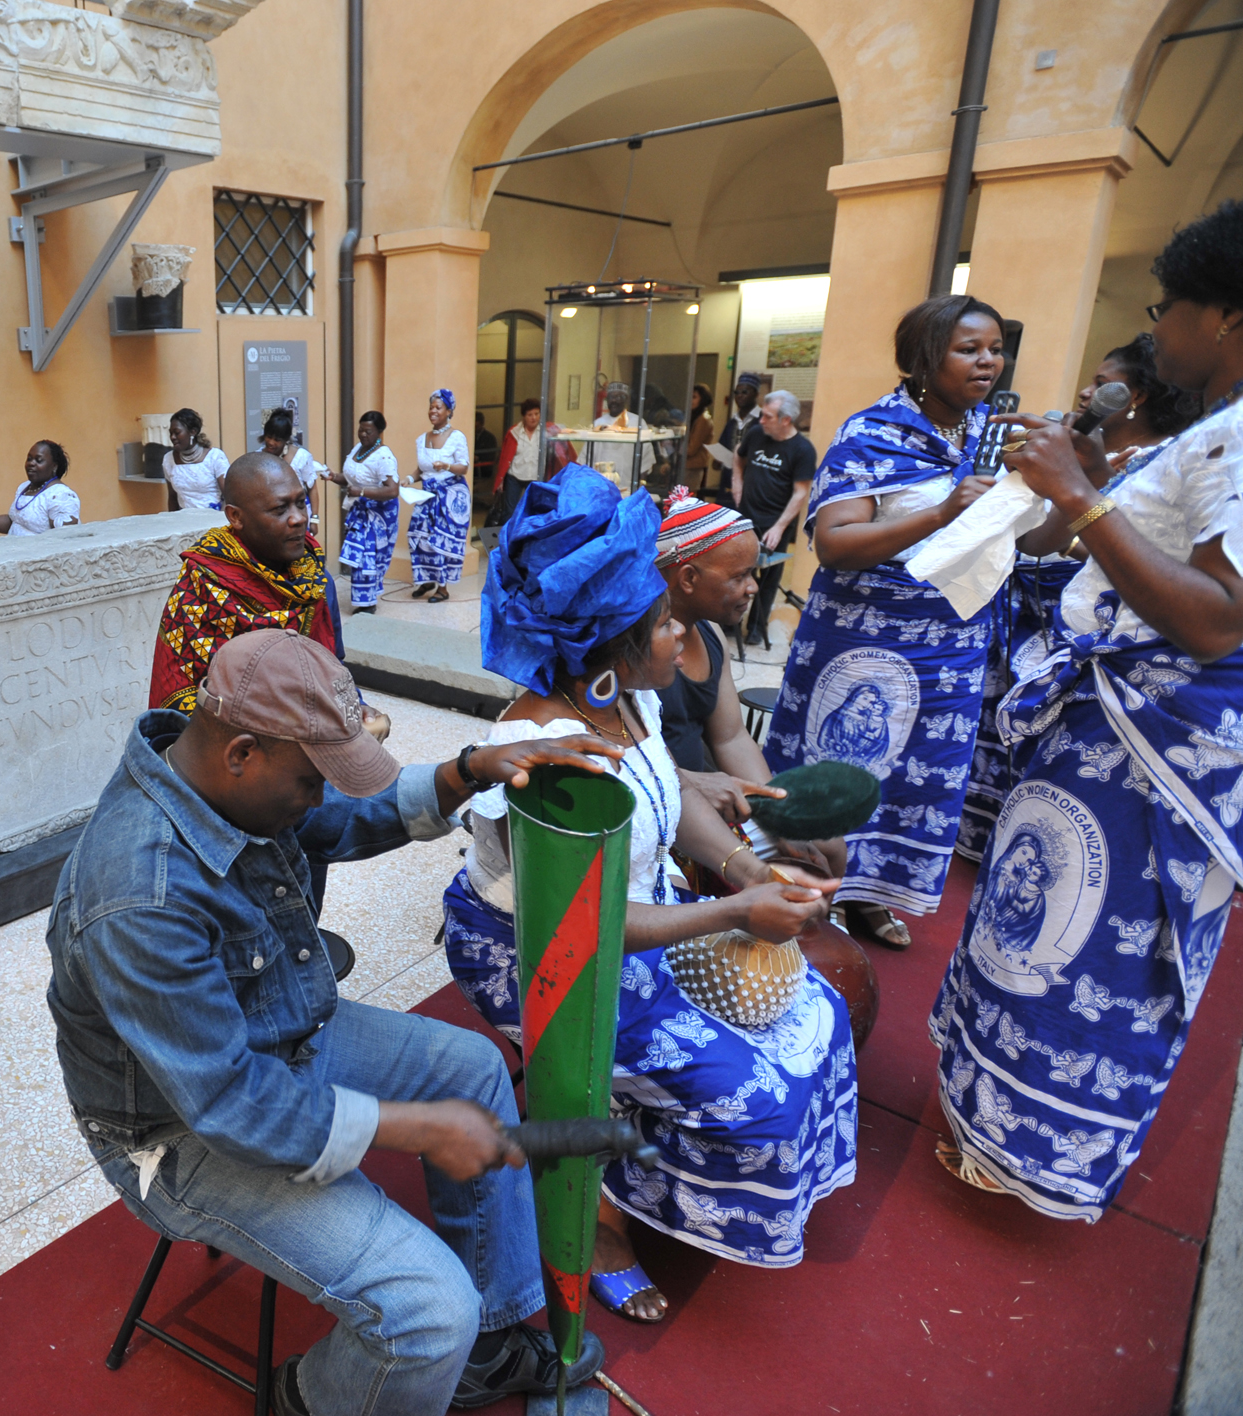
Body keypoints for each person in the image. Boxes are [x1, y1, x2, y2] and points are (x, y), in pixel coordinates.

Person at [50, 626, 625, 1415]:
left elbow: (340, 820)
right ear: (242, 752)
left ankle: (484, 1349)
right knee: (428, 1311)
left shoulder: (230, 783)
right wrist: (419, 1129)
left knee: (474, 1070)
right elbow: (230, 1105)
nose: (319, 799)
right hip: (177, 1130)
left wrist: (469, 771)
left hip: (274, 1039)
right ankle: (309, 1399)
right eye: (311, 780)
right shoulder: (139, 894)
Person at [930, 187, 1243, 1220]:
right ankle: (1008, 1127)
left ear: (1222, 314)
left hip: (1155, 742)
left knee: (1091, 941)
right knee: (1065, 923)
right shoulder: (1237, 425)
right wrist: (1080, 486)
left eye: (1168, 306)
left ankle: (1027, 1146)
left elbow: (1217, 615)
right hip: (1139, 729)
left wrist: (1082, 500)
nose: (1155, 329)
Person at [447, 466, 852, 1324]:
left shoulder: (626, 701)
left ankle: (632, 1174)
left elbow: (674, 814)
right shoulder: (547, 757)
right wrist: (738, 913)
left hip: (638, 925)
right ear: (609, 641)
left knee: (820, 1018)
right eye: (664, 622)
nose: (680, 636)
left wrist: (750, 870)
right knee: (761, 1100)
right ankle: (596, 1220)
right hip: (547, 964)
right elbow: (582, 928)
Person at [762, 294, 1009, 950]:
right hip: (866, 644)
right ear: (926, 360)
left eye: (994, 349)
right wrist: (942, 513)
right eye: (968, 349)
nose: (987, 361)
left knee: (912, 778)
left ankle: (870, 896)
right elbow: (836, 542)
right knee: (844, 767)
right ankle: (817, 889)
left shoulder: (991, 433)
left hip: (951, 646)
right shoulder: (871, 433)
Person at [955, 333, 1201, 860]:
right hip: (1046, 633)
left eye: (1103, 383)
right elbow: (1038, 543)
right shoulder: (1082, 455)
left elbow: (1133, 555)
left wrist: (1085, 492)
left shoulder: (1161, 464)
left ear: (1135, 397)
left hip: (1117, 657)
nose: (1086, 393)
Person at [650, 490, 847, 885]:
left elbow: (731, 738)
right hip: (668, 801)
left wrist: (774, 812)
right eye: (739, 576)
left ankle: (817, 929)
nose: (753, 587)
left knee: (828, 845)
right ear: (688, 578)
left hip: (710, 792)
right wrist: (690, 785)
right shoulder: (643, 649)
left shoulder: (711, 637)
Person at [149, 453, 343, 714]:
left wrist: (358, 707)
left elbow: (335, 666)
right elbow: (178, 695)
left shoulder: (315, 580)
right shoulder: (201, 588)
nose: (299, 518)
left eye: (300, 503)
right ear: (235, 517)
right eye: (280, 509)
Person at [732, 389, 816, 649]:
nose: (761, 421)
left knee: (768, 580)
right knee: (735, 572)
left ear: (786, 420)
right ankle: (729, 621)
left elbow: (801, 492)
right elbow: (738, 455)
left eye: (768, 416)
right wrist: (737, 486)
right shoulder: (757, 434)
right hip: (746, 518)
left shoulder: (803, 450)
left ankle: (756, 627)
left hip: (775, 524)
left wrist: (780, 527)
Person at [406, 389, 471, 603]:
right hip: (427, 495)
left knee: (440, 541)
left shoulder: (456, 437)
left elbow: (463, 468)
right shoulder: (422, 439)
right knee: (417, 535)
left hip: (449, 497)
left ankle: (442, 589)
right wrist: (408, 478)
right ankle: (427, 579)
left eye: (438, 407)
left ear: (449, 411)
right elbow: (421, 469)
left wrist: (446, 465)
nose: (433, 411)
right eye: (431, 407)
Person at [332, 411, 400, 613]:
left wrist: (362, 492)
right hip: (360, 511)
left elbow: (393, 490)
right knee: (358, 557)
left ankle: (368, 602)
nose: (362, 434)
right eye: (360, 430)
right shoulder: (358, 450)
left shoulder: (384, 457)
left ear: (379, 432)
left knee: (368, 557)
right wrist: (333, 476)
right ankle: (363, 599)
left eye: (368, 431)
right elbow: (352, 478)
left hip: (378, 516)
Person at [0, 441, 79, 535]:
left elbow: (65, 538)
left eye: (39, 460)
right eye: (29, 459)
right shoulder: (24, 487)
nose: (31, 463)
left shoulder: (61, 495)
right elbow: (15, 522)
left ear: (54, 466)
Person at [485, 398, 556, 535]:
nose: (534, 418)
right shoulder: (514, 432)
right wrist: (500, 480)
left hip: (535, 477)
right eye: (530, 415)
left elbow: (560, 440)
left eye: (536, 414)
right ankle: (506, 540)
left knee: (534, 511)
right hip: (515, 476)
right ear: (524, 416)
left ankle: (528, 540)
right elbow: (505, 457)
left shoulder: (546, 431)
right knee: (509, 512)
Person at [162, 407, 228, 513]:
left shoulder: (215, 457)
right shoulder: (168, 459)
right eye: (171, 433)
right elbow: (172, 497)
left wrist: (220, 524)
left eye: (177, 432)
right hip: (185, 521)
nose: (173, 437)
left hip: (214, 521)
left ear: (193, 432)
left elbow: (229, 496)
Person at [681, 383, 718, 497]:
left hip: (693, 466)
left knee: (688, 502)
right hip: (686, 465)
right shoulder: (693, 416)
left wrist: (676, 451)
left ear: (702, 399)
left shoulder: (703, 419)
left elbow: (692, 448)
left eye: (695, 397)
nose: (691, 400)